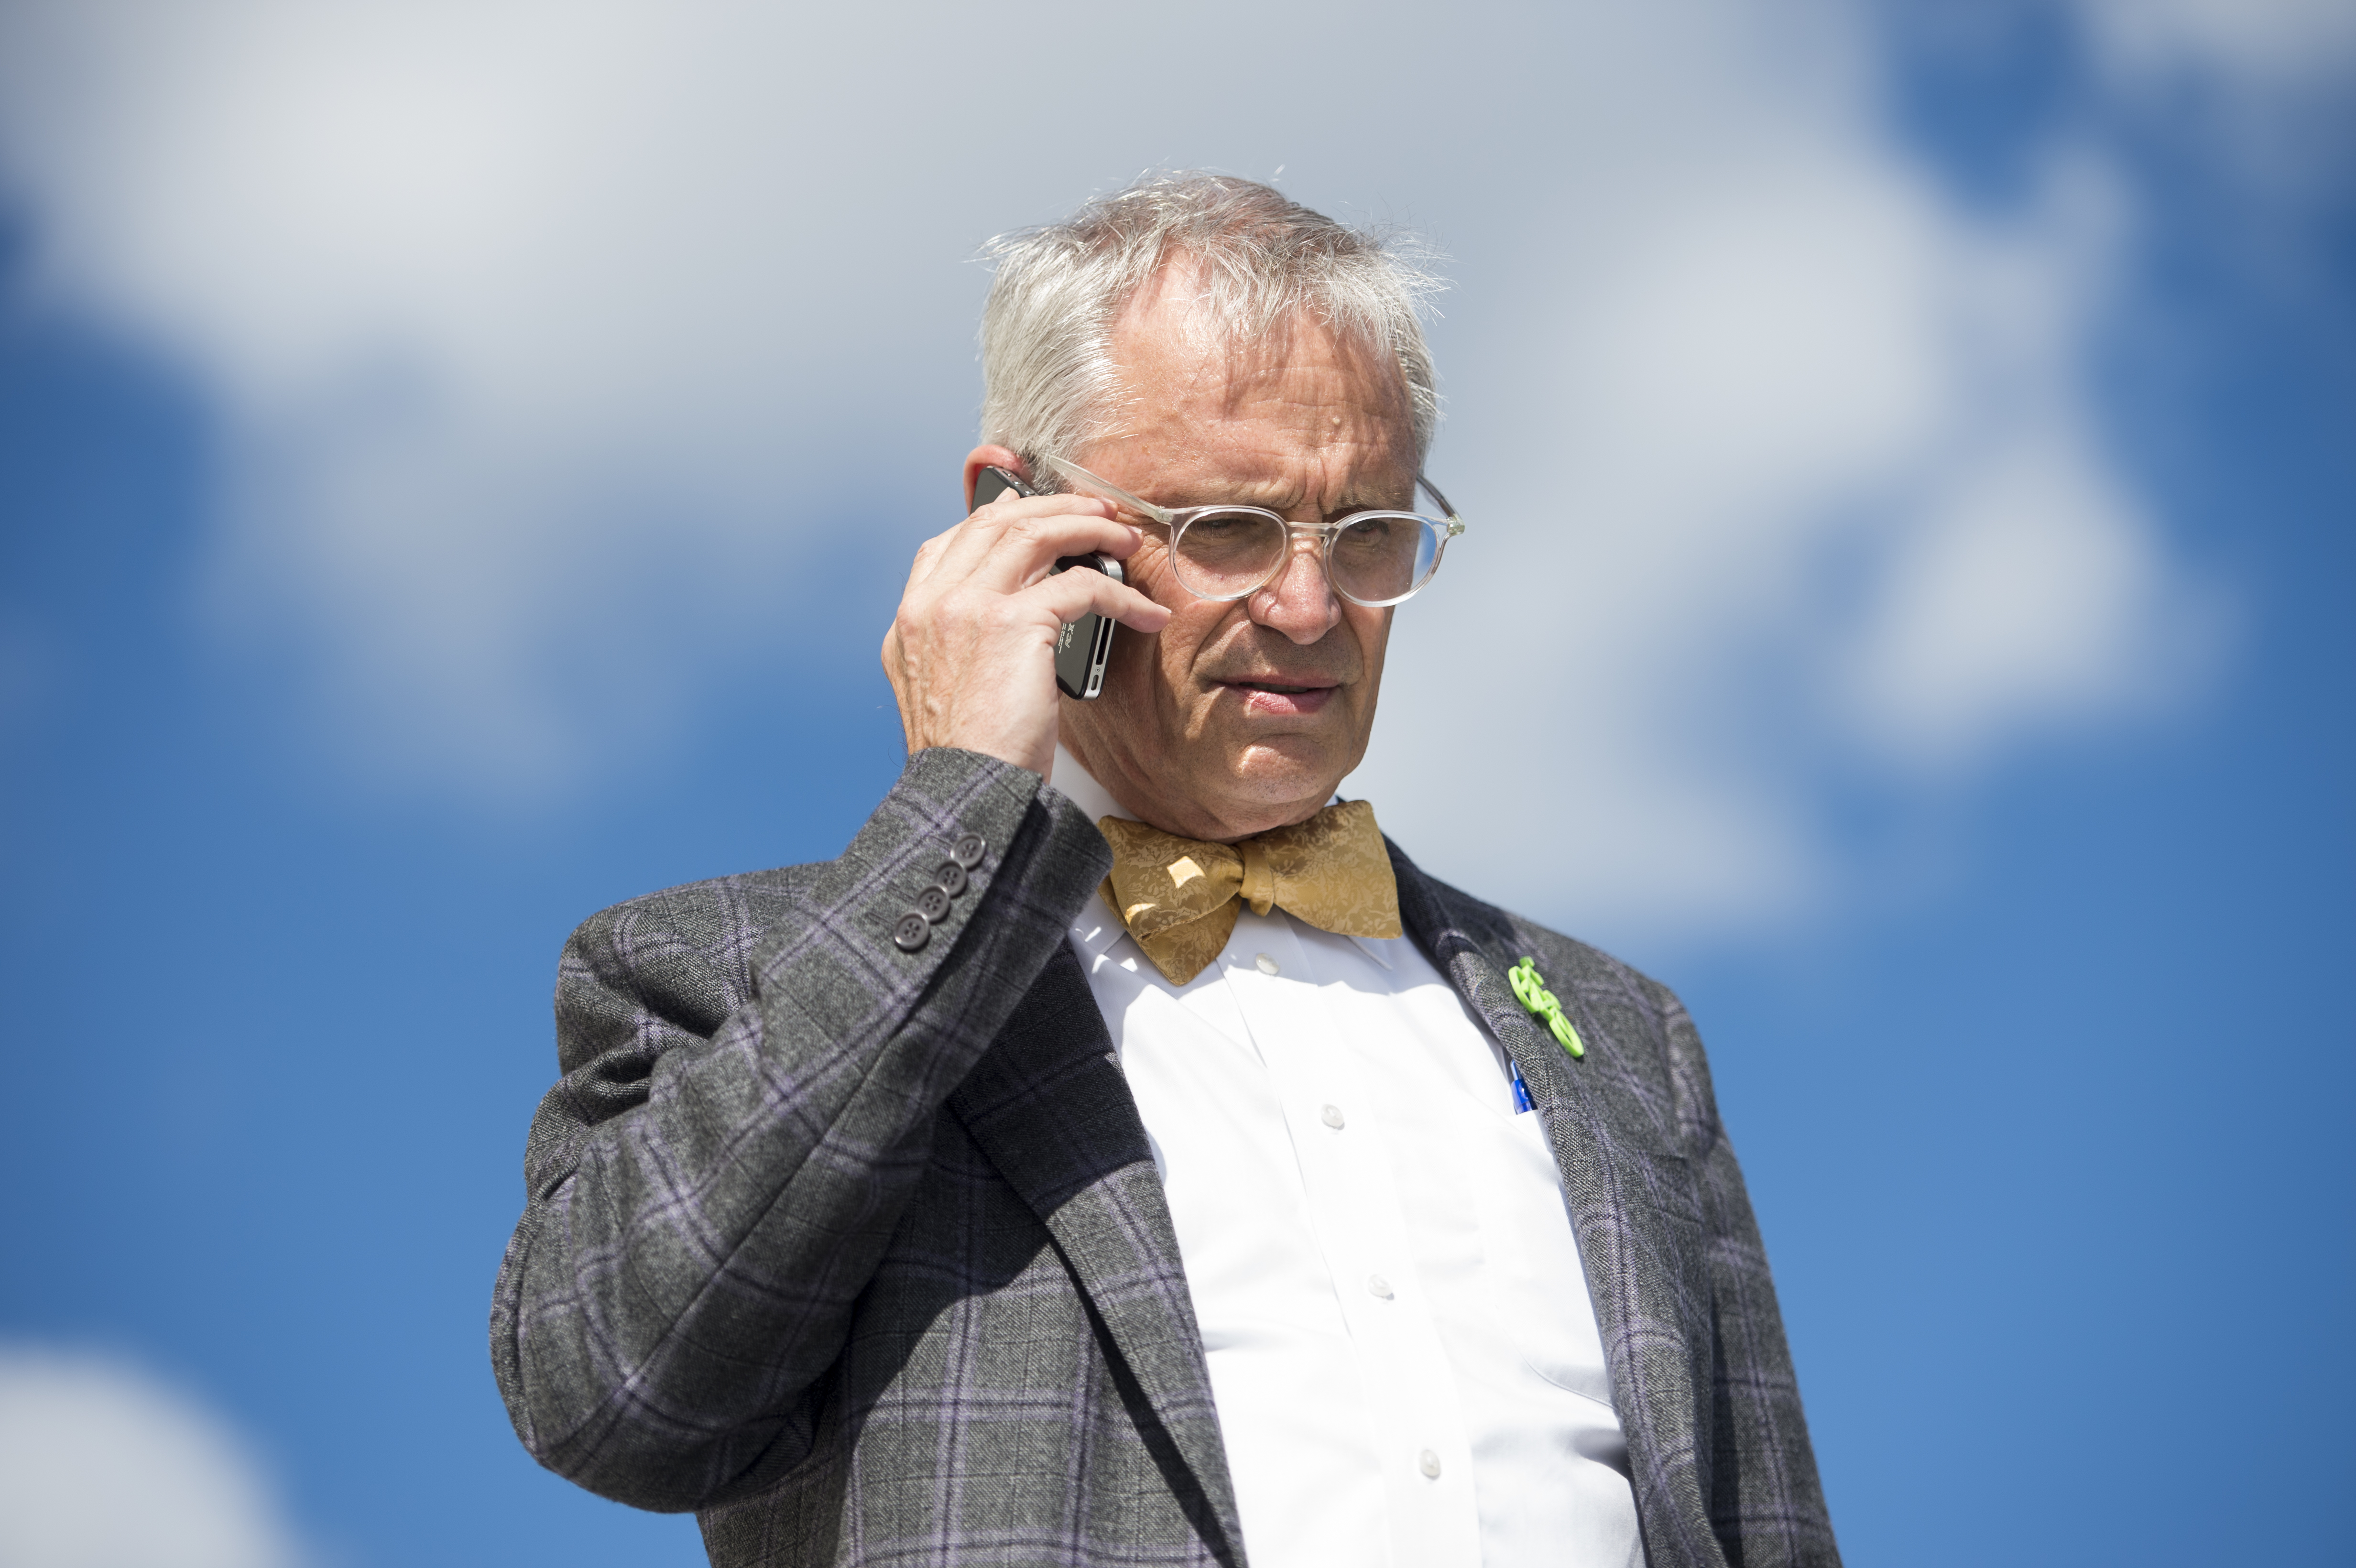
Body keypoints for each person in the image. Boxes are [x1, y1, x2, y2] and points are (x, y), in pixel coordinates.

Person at [490, 173, 1840, 1568]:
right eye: (1228, 530)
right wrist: (962, 809)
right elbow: (610, 1392)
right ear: (1020, 523)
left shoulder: (1625, 1036)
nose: (1311, 608)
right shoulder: (732, 972)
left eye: (1367, 533)